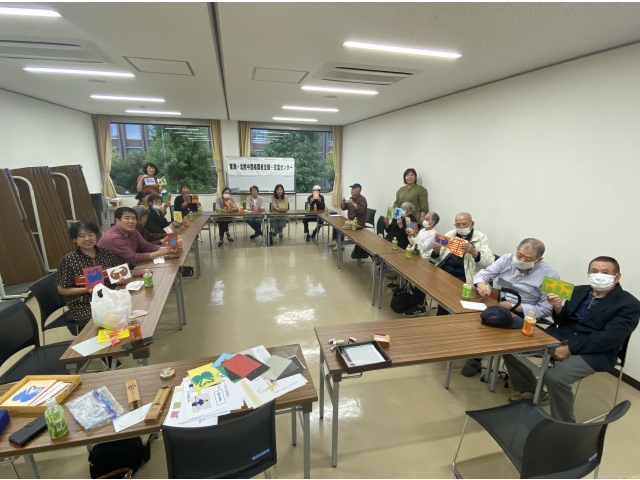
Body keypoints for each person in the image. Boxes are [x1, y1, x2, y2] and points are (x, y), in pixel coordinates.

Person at [502, 256, 639, 423]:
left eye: (605, 272)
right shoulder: (579, 291)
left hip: (596, 351)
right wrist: (558, 308)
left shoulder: (629, 304)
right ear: (588, 273)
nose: (599, 275)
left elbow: (609, 338)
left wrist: (569, 349)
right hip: (562, 337)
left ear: (617, 277)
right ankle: (530, 389)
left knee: (555, 378)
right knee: (509, 348)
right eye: (594, 271)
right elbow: (563, 321)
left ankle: (565, 425)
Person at [461, 238, 560, 377]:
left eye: (528, 259)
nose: (522, 260)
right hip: (498, 302)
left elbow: (546, 309)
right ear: (516, 249)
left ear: (538, 259)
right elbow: (483, 274)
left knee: (494, 327)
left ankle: (477, 356)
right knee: (468, 317)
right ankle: (476, 352)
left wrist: (514, 307)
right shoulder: (507, 258)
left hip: (524, 312)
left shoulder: (551, 275)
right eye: (520, 255)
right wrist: (482, 284)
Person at [403, 212, 494, 317]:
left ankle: (441, 315)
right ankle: (419, 306)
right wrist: (436, 251)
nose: (461, 227)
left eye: (464, 224)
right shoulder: (450, 234)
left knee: (448, 291)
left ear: (472, 223)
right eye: (458, 224)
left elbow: (490, 261)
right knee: (422, 277)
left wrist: (474, 252)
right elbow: (439, 257)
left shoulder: (481, 238)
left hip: (463, 274)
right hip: (445, 268)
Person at [56, 221, 121, 329]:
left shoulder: (106, 253)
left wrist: (119, 279)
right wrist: (87, 289)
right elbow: (62, 290)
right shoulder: (68, 261)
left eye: (91, 234)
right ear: (75, 239)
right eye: (82, 236)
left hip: (109, 297)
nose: (87, 238)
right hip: (84, 304)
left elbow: (116, 274)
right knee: (111, 317)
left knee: (129, 306)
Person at [97, 207, 171, 267]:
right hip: (110, 274)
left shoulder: (132, 231)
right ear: (117, 220)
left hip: (125, 268)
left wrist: (166, 249)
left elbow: (145, 246)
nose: (131, 221)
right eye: (127, 218)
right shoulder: (113, 237)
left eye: (133, 218)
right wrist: (159, 252)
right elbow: (132, 257)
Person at [328, 183, 367, 251]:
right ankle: (336, 240)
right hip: (350, 221)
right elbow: (343, 208)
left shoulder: (362, 199)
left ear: (358, 190)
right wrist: (343, 202)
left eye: (353, 189)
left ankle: (340, 244)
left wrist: (353, 203)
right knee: (336, 223)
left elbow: (362, 210)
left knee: (341, 226)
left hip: (358, 222)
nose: (351, 190)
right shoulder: (351, 198)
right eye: (351, 189)